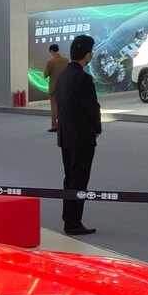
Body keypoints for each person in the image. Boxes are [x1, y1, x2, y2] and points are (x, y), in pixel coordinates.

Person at [54, 35, 101, 237]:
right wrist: (96, 129)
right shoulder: (84, 78)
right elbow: (92, 108)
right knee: (80, 179)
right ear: (87, 55)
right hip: (82, 137)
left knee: (69, 178)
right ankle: (74, 222)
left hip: (66, 135)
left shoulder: (63, 76)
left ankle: (68, 218)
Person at [43, 43, 68, 132]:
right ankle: (64, 125)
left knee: (54, 107)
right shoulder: (66, 61)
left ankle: (54, 126)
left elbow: (45, 75)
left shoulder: (51, 62)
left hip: (54, 88)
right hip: (64, 87)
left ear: (51, 51)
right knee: (63, 107)